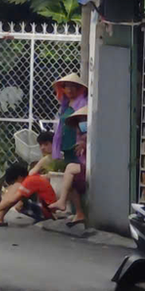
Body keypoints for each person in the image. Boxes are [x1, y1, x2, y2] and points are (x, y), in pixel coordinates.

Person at [51, 72, 89, 224]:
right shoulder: (65, 104)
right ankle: (77, 212)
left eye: (74, 87)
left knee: (75, 178)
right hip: (67, 145)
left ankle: (77, 210)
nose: (70, 90)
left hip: (77, 145)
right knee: (71, 179)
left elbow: (85, 126)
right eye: (67, 87)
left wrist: (84, 141)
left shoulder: (83, 104)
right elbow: (60, 127)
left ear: (79, 89)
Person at [0, 160, 60, 225]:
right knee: (17, 194)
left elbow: (12, 200)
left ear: (19, 177)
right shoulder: (31, 179)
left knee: (17, 188)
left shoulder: (30, 181)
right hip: (44, 208)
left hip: (47, 211)